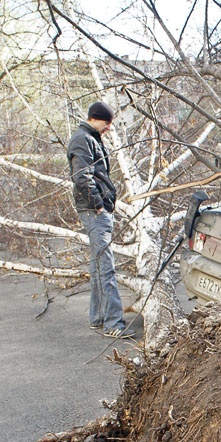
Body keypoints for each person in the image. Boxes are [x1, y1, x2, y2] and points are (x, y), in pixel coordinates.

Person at [67, 101, 133, 339]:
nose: (109, 128)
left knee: (97, 265)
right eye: (108, 123)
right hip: (94, 211)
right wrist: (98, 206)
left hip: (95, 209)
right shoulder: (82, 139)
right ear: (96, 118)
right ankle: (114, 324)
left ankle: (97, 317)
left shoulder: (90, 137)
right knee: (106, 267)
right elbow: (82, 177)